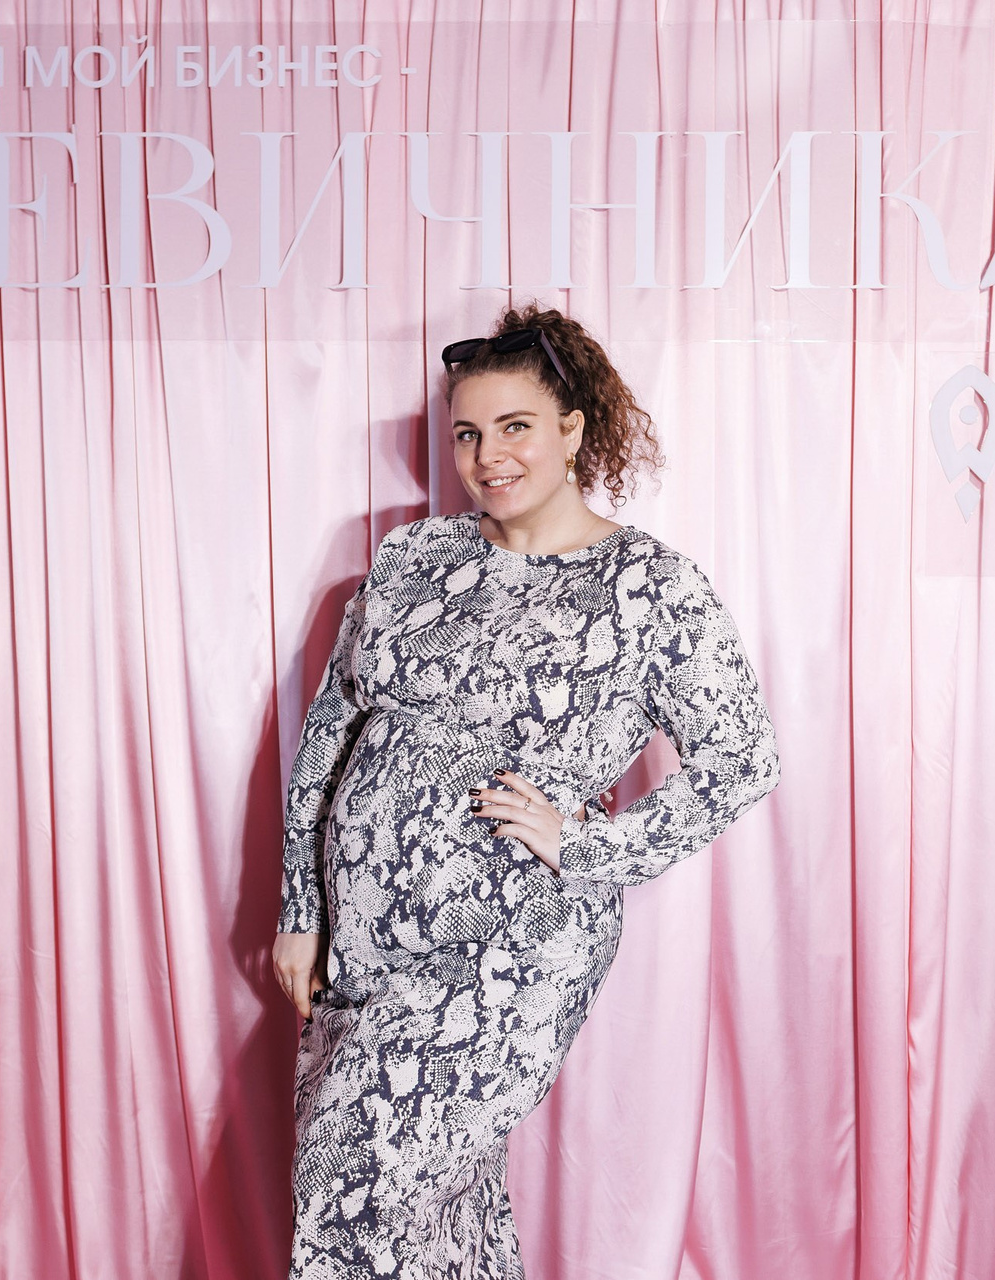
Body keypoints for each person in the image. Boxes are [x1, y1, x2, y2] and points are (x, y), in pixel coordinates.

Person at [270, 302, 781, 1277]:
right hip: (366, 938)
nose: (486, 456)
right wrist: (303, 907)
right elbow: (334, 724)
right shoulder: (413, 557)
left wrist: (590, 846)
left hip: (513, 945)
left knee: (354, 1189)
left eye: (515, 427)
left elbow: (742, 754)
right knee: (444, 1214)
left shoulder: (647, 586)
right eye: (467, 433)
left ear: (573, 429)